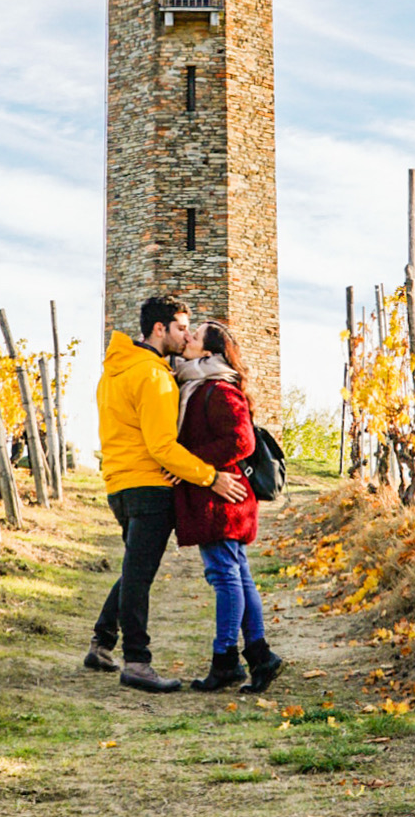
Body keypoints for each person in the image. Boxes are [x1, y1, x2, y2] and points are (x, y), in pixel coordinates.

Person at [86, 295, 249, 693]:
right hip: (150, 486)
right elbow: (162, 446)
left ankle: (101, 642)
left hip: (118, 484)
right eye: (180, 328)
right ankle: (137, 662)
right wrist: (210, 477)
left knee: (134, 569)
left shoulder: (115, 370)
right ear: (160, 329)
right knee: (139, 576)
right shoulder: (154, 376)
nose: (185, 336)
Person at [173, 321, 283, 694]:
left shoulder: (218, 389)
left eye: (194, 335)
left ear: (208, 351)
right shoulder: (201, 384)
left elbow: (241, 441)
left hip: (222, 501)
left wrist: (188, 461)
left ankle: (225, 661)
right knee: (237, 575)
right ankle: (260, 656)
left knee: (225, 578)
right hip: (224, 499)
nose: (187, 337)